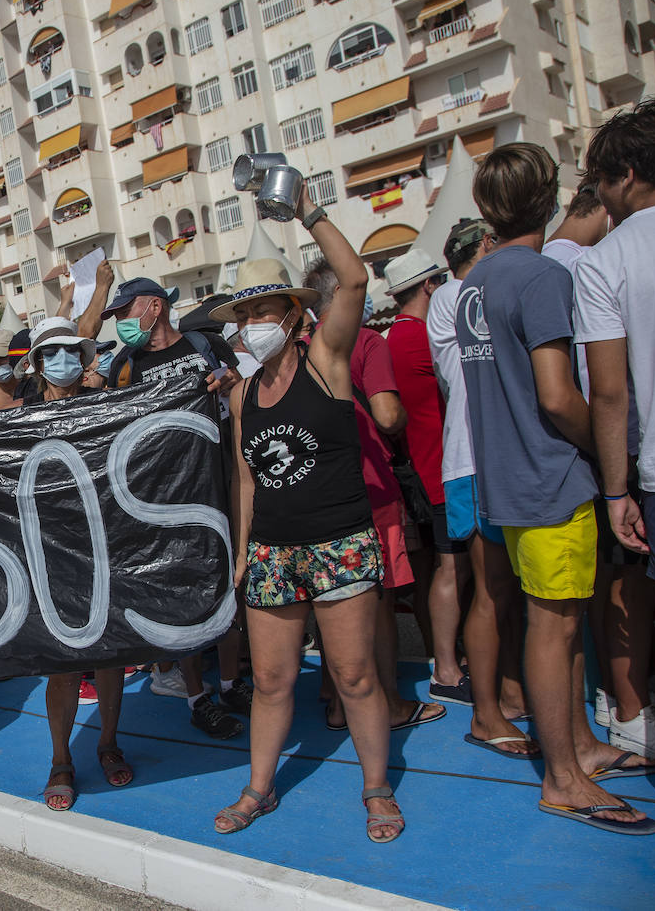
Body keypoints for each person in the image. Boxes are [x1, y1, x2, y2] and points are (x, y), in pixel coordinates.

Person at [459, 142, 655, 834]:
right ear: (547, 202)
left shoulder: (474, 284)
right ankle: (563, 777)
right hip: (551, 480)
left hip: (510, 481)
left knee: (557, 625)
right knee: (557, 628)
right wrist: (614, 454)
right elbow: (556, 395)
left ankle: (578, 749)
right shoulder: (540, 277)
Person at [211, 186, 404, 842]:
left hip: (340, 542)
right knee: (270, 680)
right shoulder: (242, 395)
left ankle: (376, 787)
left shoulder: (326, 361)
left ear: (292, 315)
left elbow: (353, 277)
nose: (250, 324)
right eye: (244, 315)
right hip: (271, 551)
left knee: (353, 674)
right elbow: (246, 478)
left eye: (263, 309)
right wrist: (242, 550)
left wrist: (308, 211)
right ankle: (258, 789)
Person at [95, 276, 249, 737]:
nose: (121, 323)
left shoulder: (207, 345)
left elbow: (241, 384)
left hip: (218, 479)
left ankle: (231, 681)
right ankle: (197, 696)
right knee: (184, 592)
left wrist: (229, 381)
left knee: (227, 584)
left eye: (125, 312)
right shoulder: (125, 364)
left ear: (155, 307)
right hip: (164, 496)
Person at [573, 98, 655, 771]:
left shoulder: (605, 260)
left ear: (628, 176)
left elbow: (608, 392)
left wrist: (616, 492)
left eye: (603, 184)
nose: (602, 199)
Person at [303, 258, 441, 736]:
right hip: (370, 487)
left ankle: (334, 695)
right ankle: (390, 702)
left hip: (320, 493)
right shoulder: (367, 342)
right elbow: (386, 415)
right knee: (376, 600)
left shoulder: (300, 349)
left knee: (332, 598)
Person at [6, 318, 133, 810]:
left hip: (106, 545)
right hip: (48, 554)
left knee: (110, 657)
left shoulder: (107, 407)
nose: (64, 361)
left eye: (72, 351)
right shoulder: (17, 416)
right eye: (52, 352)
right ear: (38, 363)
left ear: (85, 360)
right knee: (61, 665)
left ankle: (107, 742)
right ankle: (61, 759)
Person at [427, 218, 535, 756]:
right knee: (492, 589)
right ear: (487, 247)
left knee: (507, 589)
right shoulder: (454, 294)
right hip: (475, 454)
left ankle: (510, 693)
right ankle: (488, 711)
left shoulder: (459, 293)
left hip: (492, 453)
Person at [384, 249, 472, 704]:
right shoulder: (419, 337)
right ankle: (448, 665)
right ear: (430, 287)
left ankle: (447, 660)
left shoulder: (391, 338)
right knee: (453, 570)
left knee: (439, 572)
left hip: (419, 474)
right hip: (441, 472)